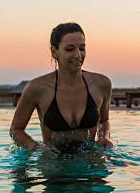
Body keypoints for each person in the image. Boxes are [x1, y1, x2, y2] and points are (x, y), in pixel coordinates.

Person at [10, 23, 114, 153]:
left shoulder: (101, 84)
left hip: (90, 163)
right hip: (53, 165)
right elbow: (16, 130)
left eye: (82, 48)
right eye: (70, 49)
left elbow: (104, 121)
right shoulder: (37, 88)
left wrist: (104, 137)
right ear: (54, 52)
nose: (78, 55)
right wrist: (36, 147)